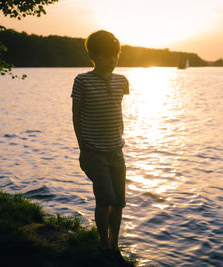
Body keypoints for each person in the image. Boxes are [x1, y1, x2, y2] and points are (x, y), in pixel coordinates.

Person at [71, 30, 131, 266]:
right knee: (104, 198)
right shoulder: (82, 81)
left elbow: (117, 109)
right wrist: (82, 148)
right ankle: (103, 246)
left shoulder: (122, 81)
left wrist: (119, 134)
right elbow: (76, 115)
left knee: (119, 201)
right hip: (93, 150)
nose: (112, 61)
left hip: (117, 150)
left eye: (115, 56)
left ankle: (114, 245)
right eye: (107, 56)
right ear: (93, 56)